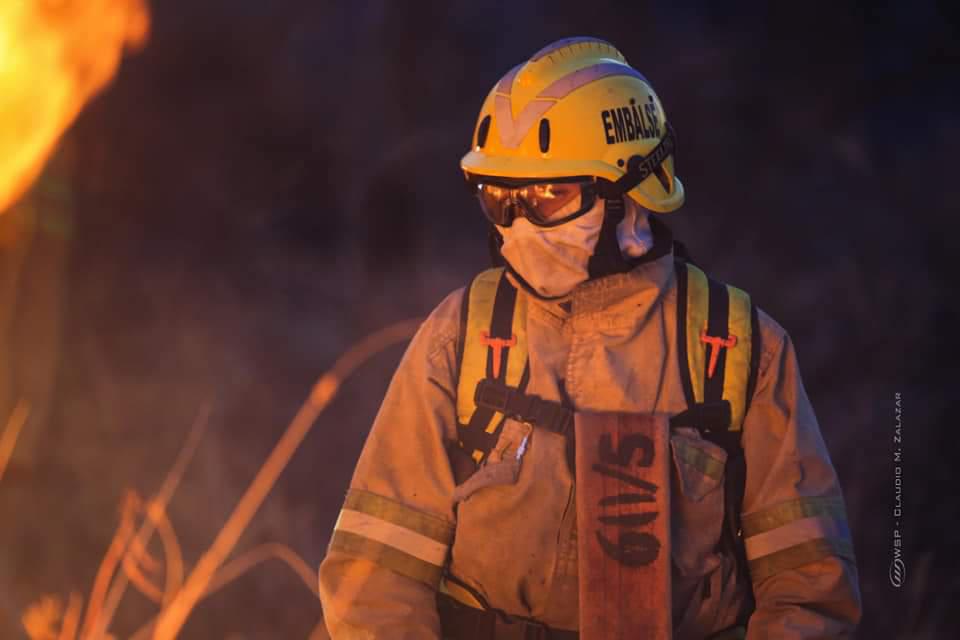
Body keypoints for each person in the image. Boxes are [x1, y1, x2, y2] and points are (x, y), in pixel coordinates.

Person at [318, 37, 862, 639]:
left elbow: (808, 591)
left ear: (630, 195)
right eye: (500, 197)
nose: (519, 224)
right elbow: (375, 575)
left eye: (549, 195)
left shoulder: (736, 348)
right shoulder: (463, 335)